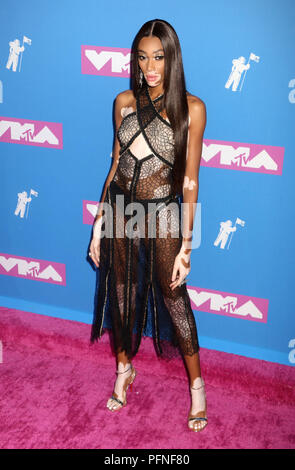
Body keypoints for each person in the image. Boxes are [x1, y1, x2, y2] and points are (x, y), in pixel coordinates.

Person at [89, 19, 207, 432]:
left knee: (175, 300)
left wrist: (186, 245)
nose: (150, 66)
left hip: (163, 214)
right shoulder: (124, 101)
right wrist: (98, 223)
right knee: (122, 294)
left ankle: (196, 387)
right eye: (143, 57)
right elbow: (115, 165)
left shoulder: (191, 109)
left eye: (158, 57)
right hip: (121, 210)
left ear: (172, 58)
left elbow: (190, 181)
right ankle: (124, 371)